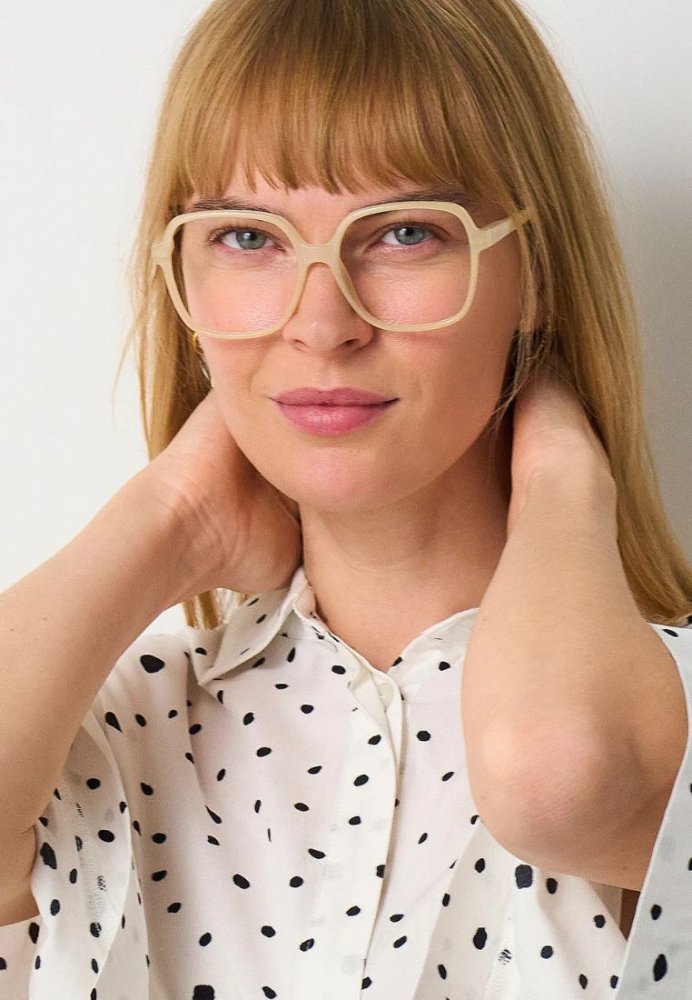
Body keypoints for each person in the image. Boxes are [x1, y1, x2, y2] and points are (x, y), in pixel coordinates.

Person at [1, 0, 691, 997]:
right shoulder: (110, 731)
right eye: (248, 238)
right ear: (182, 281)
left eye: (406, 232)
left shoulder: (660, 716)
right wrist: (173, 516)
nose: (321, 323)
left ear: (534, 274)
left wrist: (564, 480)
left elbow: (561, 775)